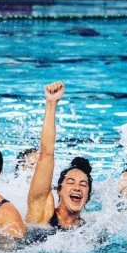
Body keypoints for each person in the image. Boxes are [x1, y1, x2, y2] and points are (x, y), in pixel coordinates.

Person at [26, 82, 93, 231]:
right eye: (70, 182)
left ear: (88, 196)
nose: (77, 188)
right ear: (59, 191)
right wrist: (51, 103)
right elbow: (46, 153)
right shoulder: (43, 214)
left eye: (83, 185)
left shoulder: (90, 230)